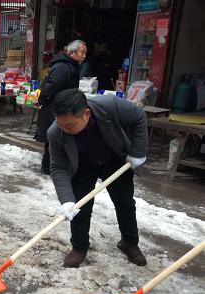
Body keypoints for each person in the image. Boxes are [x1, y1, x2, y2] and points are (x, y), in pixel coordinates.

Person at [47, 89, 148, 268]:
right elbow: (58, 167)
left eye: (69, 126)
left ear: (86, 114)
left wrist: (137, 152)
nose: (64, 130)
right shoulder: (55, 132)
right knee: (80, 206)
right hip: (82, 165)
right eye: (60, 124)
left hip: (115, 160)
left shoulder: (109, 106)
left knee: (124, 202)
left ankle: (129, 243)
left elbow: (139, 117)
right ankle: (79, 247)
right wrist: (67, 201)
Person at [35, 39, 87, 175]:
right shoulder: (64, 67)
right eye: (82, 52)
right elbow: (51, 86)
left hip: (60, 107)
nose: (84, 56)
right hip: (56, 108)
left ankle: (52, 166)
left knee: (57, 138)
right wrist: (45, 100)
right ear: (72, 53)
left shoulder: (69, 65)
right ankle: (48, 168)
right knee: (54, 139)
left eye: (85, 53)